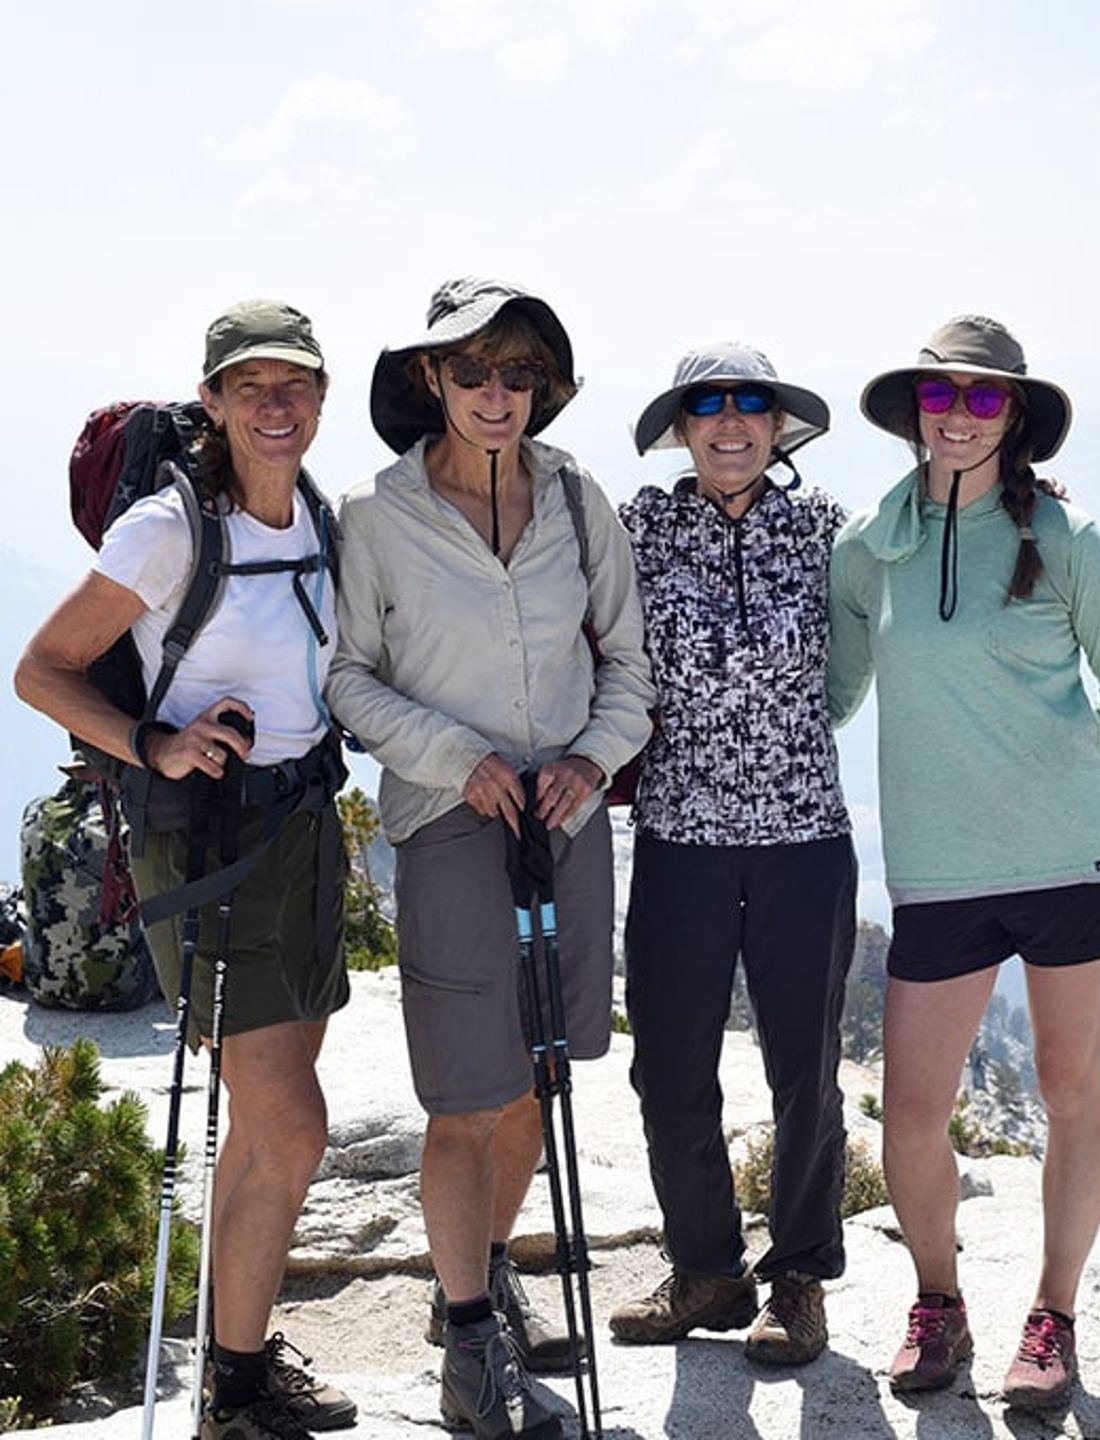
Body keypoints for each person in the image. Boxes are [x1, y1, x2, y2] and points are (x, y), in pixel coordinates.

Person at [15, 300, 355, 1440]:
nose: (275, 404)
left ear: (320, 396)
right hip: (211, 847)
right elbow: (43, 670)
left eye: (294, 384)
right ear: (209, 400)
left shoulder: (317, 514)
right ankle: (236, 1385)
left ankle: (238, 1370)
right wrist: (153, 744)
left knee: (268, 1131)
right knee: (292, 1126)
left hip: (305, 831)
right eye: (249, 384)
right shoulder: (167, 530)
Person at [325, 278, 653, 1440]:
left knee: (542, 1080)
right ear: (430, 381)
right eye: (473, 373)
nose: (498, 395)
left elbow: (628, 665)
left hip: (562, 817)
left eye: (521, 375)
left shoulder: (579, 500)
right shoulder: (376, 514)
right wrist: (456, 755)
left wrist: (593, 760)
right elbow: (347, 675)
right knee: (467, 1096)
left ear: (546, 388)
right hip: (449, 820)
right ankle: (471, 1350)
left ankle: (482, 1276)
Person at [828, 315, 1100, 1411]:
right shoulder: (865, 553)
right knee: (912, 1113)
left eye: (983, 398)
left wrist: (1043, 766)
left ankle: (1054, 1319)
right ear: (915, 411)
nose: (960, 415)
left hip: (1071, 858)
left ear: (1014, 417)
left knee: (1070, 1090)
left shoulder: (1070, 540)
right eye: (943, 396)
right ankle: (940, 1305)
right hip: (938, 873)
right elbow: (831, 698)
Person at [609, 343, 857, 1368]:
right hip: (678, 837)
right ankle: (707, 1268)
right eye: (705, 406)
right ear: (679, 426)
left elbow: (944, 530)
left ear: (777, 424)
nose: (729, 422)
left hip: (804, 839)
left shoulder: (830, 529)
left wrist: (1030, 499)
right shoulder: (638, 528)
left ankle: (797, 1281)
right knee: (669, 1068)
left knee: (806, 1073)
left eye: (750, 404)